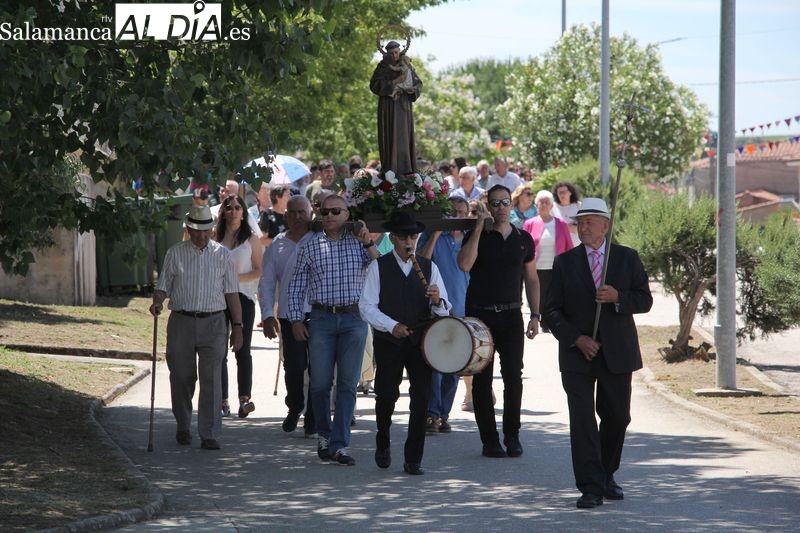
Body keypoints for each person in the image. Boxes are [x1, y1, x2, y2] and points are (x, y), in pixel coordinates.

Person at [544, 197, 653, 509]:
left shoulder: (627, 258)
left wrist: (619, 297)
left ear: (606, 225)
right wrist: (576, 338)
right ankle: (590, 486)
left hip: (617, 352)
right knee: (582, 421)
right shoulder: (565, 262)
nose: (585, 227)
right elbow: (551, 310)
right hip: (578, 354)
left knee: (617, 417)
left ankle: (606, 474)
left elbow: (644, 300)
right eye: (581, 222)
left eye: (591, 221)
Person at [287, 195, 379, 465]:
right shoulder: (310, 245)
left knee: (348, 385)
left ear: (347, 213)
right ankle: (324, 436)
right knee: (320, 383)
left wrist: (369, 242)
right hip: (322, 319)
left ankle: (340, 444)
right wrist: (295, 320)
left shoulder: (358, 242)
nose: (328, 215)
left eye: (335, 211)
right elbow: (296, 285)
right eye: (324, 211)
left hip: (353, 318)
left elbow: (380, 269)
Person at [360, 211, 452, 475]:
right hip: (389, 340)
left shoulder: (428, 266)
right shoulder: (379, 266)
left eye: (413, 235)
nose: (409, 241)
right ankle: (383, 440)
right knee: (387, 395)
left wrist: (437, 301)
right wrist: (392, 326)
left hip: (421, 340)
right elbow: (367, 306)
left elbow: (445, 310)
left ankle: (414, 458)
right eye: (403, 236)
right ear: (394, 238)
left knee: (421, 399)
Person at [149, 204, 243, 450]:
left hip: (214, 322)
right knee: (181, 375)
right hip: (182, 320)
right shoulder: (175, 253)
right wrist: (157, 301)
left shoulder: (223, 255)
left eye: (205, 230)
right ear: (188, 229)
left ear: (212, 229)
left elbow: (232, 294)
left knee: (212, 378)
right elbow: (163, 287)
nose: (201, 235)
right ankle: (183, 424)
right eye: (196, 230)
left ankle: (209, 432)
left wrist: (238, 326)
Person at [457, 185, 540, 458]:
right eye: (495, 203)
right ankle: (489, 440)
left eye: (505, 202)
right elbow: (465, 265)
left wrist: (536, 315)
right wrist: (480, 226)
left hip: (512, 314)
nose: (501, 207)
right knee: (481, 379)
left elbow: (531, 279)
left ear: (511, 204)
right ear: (488, 206)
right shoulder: (475, 235)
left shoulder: (523, 239)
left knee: (513, 377)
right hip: (481, 316)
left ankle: (512, 435)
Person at [259, 195, 316, 436]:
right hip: (288, 315)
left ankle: (314, 416)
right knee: (293, 367)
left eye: (302, 212)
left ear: (311, 213)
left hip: (318, 314)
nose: (297, 217)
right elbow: (267, 283)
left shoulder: (320, 240)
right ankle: (295, 406)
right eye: (292, 212)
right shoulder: (277, 245)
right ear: (286, 215)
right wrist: (267, 315)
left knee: (319, 369)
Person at [417, 194, 472, 433]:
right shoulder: (433, 236)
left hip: (463, 307)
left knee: (455, 366)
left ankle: (444, 413)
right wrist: (439, 231)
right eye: (453, 213)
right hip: (437, 309)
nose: (457, 218)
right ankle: (432, 412)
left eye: (461, 213)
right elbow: (422, 261)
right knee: (436, 364)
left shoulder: (469, 238)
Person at [214, 195, 264, 419]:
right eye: (229, 207)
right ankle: (222, 400)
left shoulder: (251, 239)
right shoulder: (215, 237)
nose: (233, 211)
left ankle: (245, 399)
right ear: (223, 212)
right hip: (217, 298)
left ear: (244, 212)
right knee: (218, 351)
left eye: (237, 207)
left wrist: (237, 279)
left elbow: (259, 270)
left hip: (243, 297)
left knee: (242, 349)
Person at [523, 190, 574, 333]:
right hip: (536, 267)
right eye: (541, 202)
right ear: (536, 204)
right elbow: (524, 246)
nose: (544, 204)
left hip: (556, 267)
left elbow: (569, 246)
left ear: (552, 205)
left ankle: (551, 322)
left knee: (554, 296)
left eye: (547, 202)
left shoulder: (561, 224)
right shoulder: (529, 223)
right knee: (540, 296)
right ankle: (539, 320)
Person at [370, 40, 422, 175]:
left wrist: (412, 90)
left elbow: (418, 83)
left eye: (396, 52)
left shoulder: (407, 65)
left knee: (404, 137)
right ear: (387, 53)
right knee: (390, 137)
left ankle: (407, 170)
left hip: (403, 107)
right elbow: (374, 85)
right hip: (388, 108)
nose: (394, 56)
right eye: (391, 53)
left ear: (400, 52)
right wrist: (393, 83)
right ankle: (390, 170)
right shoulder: (382, 67)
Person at [552, 181, 582, 246]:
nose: (562, 195)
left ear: (570, 192)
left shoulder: (579, 206)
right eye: (560, 193)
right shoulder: (552, 208)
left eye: (564, 192)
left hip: (577, 245)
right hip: (560, 246)